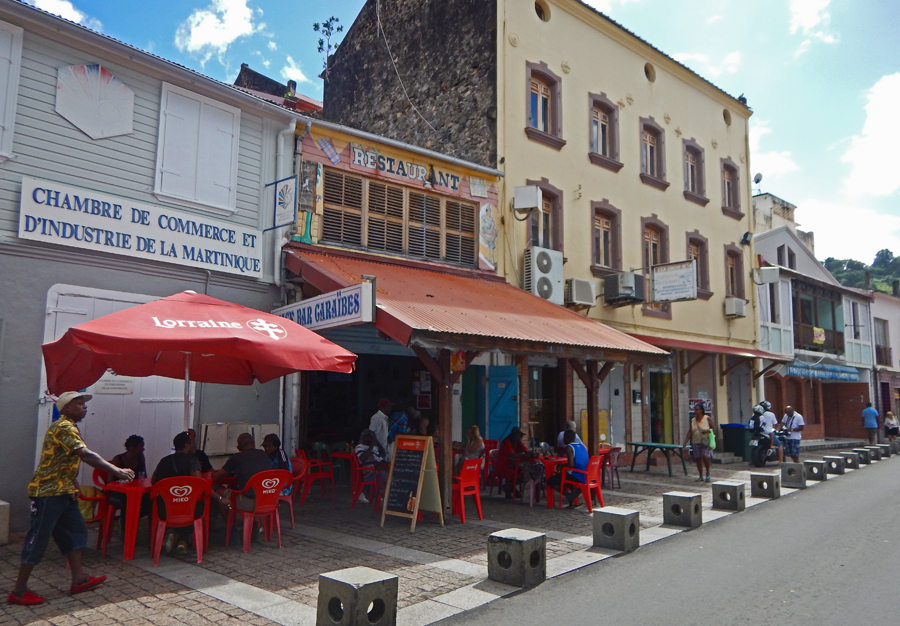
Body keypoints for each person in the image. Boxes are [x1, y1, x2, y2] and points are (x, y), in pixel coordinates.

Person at [8, 392, 134, 606]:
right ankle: (19, 590)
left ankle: (79, 579)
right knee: (38, 538)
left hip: (64, 490)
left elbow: (66, 458)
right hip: (49, 492)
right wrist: (116, 470)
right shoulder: (64, 426)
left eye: (84, 404)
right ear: (66, 408)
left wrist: (72, 480)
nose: (84, 407)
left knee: (76, 532)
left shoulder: (70, 426)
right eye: (79, 404)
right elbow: (84, 454)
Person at [150, 431, 202, 555]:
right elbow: (199, 483)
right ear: (187, 446)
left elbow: (154, 481)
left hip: (165, 510)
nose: (195, 445)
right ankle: (183, 540)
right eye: (193, 443)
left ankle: (176, 534)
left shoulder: (164, 461)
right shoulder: (193, 461)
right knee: (199, 507)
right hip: (187, 508)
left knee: (182, 508)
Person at [211, 433, 271, 516]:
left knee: (218, 491)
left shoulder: (236, 458)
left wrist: (215, 473)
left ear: (238, 448)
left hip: (249, 503)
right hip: (268, 500)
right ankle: (254, 524)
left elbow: (217, 478)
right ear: (254, 443)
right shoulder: (264, 454)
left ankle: (232, 526)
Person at [546, 430, 589, 509]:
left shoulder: (569, 447)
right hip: (584, 474)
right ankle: (572, 497)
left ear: (568, 438)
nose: (563, 440)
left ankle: (569, 495)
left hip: (575, 474)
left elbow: (571, 464)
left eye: (564, 438)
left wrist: (562, 465)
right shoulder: (583, 446)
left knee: (550, 481)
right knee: (563, 476)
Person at [682, 403, 716, 482]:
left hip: (706, 441)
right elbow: (690, 431)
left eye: (697, 409)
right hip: (695, 441)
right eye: (695, 409)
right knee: (698, 459)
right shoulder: (693, 420)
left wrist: (707, 431)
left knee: (705, 456)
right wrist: (685, 441)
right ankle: (701, 475)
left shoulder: (707, 418)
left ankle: (707, 473)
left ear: (701, 410)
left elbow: (714, 428)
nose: (695, 411)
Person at [354, 429, 386, 505]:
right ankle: (383, 495)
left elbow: (383, 455)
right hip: (370, 473)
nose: (371, 439)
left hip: (379, 470)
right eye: (370, 437)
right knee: (390, 476)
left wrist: (377, 443)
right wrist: (371, 446)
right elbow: (363, 458)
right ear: (364, 438)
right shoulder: (360, 447)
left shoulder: (374, 448)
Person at [497, 427, 528, 499]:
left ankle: (509, 488)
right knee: (514, 475)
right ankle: (509, 489)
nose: (520, 437)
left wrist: (532, 453)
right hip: (504, 466)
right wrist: (523, 455)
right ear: (514, 435)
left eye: (521, 436)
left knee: (525, 474)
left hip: (513, 465)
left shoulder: (518, 442)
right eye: (519, 435)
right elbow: (512, 454)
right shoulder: (506, 442)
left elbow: (525, 450)